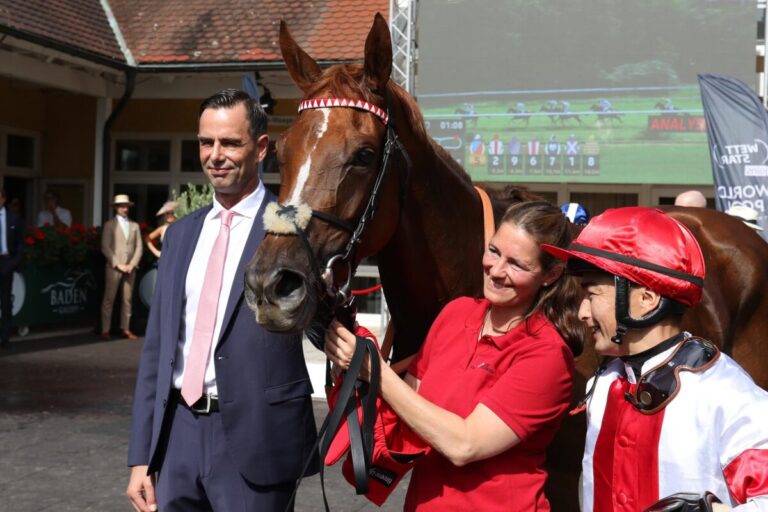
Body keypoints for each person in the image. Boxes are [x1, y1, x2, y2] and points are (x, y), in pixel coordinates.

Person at [126, 89, 317, 512]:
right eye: (205, 142)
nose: (216, 155)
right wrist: (142, 454)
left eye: (230, 142)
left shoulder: (292, 232)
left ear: (261, 148)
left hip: (258, 440)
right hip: (177, 435)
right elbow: (157, 348)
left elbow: (322, 321)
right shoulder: (180, 235)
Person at [326, 201, 585, 510]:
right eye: (493, 251)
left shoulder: (547, 354)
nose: (497, 270)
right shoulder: (456, 313)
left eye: (516, 264)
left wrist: (376, 373)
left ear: (551, 275)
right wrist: (351, 365)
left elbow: (464, 444)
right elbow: (406, 408)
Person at [542, 206, 768, 512]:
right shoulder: (604, 383)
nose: (582, 313)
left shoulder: (730, 398)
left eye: (592, 295)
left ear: (647, 300)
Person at [100, 194, 142, 341]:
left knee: (127, 299)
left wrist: (132, 264)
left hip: (130, 267)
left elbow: (139, 247)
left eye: (126, 206)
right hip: (114, 267)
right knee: (109, 299)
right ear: (116, 208)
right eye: (121, 206)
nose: (124, 208)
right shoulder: (109, 225)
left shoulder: (134, 225)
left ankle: (126, 328)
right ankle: (105, 329)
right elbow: (105, 247)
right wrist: (118, 264)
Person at [0, 188, 23, 349]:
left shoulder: (13, 218)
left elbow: (20, 242)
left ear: (3, 199)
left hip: (6, 261)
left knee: (5, 299)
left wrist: (14, 261)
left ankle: (5, 334)